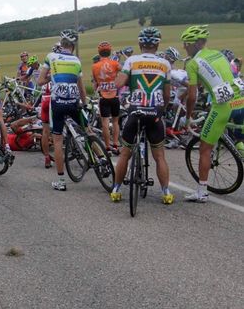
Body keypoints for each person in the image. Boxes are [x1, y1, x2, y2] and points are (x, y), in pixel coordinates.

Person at [109, 27, 174, 204]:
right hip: (155, 112)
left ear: (140, 44)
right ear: (157, 44)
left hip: (136, 111)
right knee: (159, 156)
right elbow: (167, 94)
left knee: (124, 154)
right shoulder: (165, 64)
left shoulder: (131, 61)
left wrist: (120, 80)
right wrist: (163, 108)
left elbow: (119, 83)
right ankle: (166, 192)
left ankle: (116, 189)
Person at [181, 25, 244, 202]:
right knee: (239, 138)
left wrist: (188, 117)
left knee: (204, 148)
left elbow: (193, 96)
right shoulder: (219, 54)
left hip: (223, 106)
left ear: (193, 44)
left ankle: (202, 193)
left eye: (186, 44)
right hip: (241, 100)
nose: (184, 47)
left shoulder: (193, 63)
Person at [37, 29, 87, 191]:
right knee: (89, 131)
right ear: (73, 45)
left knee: (58, 142)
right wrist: (84, 103)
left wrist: (53, 77)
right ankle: (101, 158)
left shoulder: (51, 57)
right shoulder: (77, 61)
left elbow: (39, 81)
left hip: (57, 103)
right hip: (74, 103)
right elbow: (81, 88)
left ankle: (61, 180)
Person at [91, 41, 122, 154]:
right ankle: (115, 145)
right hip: (115, 96)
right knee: (115, 122)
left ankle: (107, 147)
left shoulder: (94, 66)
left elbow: (95, 85)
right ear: (109, 52)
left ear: (99, 53)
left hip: (103, 97)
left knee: (104, 122)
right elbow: (124, 73)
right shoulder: (115, 64)